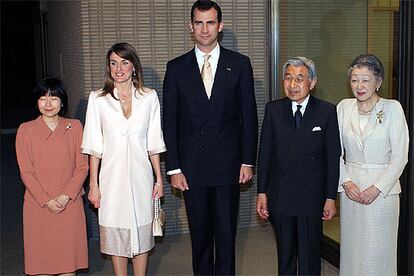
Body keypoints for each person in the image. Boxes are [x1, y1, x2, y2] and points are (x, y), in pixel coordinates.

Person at [162, 0, 258, 274]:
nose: (205, 29)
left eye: (210, 22)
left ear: (220, 26)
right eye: (199, 23)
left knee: (226, 237)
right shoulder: (176, 68)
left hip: (229, 165)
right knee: (200, 237)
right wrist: (174, 167)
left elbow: (248, 116)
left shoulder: (239, 64)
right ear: (190, 26)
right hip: (191, 169)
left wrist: (247, 161)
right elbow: (170, 122)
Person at [81, 42, 166, 275]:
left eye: (125, 62)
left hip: (142, 177)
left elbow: (154, 142)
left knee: (141, 233)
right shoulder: (98, 99)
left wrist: (158, 180)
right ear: (108, 68)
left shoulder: (148, 97)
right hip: (111, 178)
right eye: (113, 63)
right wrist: (93, 184)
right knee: (115, 236)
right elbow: (93, 146)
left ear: (134, 67)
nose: (119, 68)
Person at [256, 57, 341, 275]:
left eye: (299, 78)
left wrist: (330, 197)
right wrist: (262, 192)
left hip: (311, 197)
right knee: (285, 255)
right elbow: (265, 154)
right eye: (288, 77)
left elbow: (333, 158)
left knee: (310, 256)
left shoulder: (327, 111)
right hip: (281, 195)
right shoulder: (273, 110)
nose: (293, 84)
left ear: (312, 83)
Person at [337, 54, 409, 276]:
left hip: (383, 194)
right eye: (355, 79)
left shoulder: (393, 108)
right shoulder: (343, 107)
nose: (359, 86)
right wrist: (346, 182)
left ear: (378, 82)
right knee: (352, 250)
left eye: (365, 80)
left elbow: (400, 155)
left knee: (379, 252)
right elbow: (333, 152)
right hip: (351, 190)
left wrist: (376, 188)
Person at [15, 77, 88, 275]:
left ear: (62, 102)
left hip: (69, 205)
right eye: (43, 98)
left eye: (54, 98)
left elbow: (82, 166)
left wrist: (65, 196)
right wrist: (46, 200)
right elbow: (26, 172)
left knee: (68, 265)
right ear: (36, 101)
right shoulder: (25, 130)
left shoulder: (75, 127)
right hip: (37, 206)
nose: (48, 104)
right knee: (42, 266)